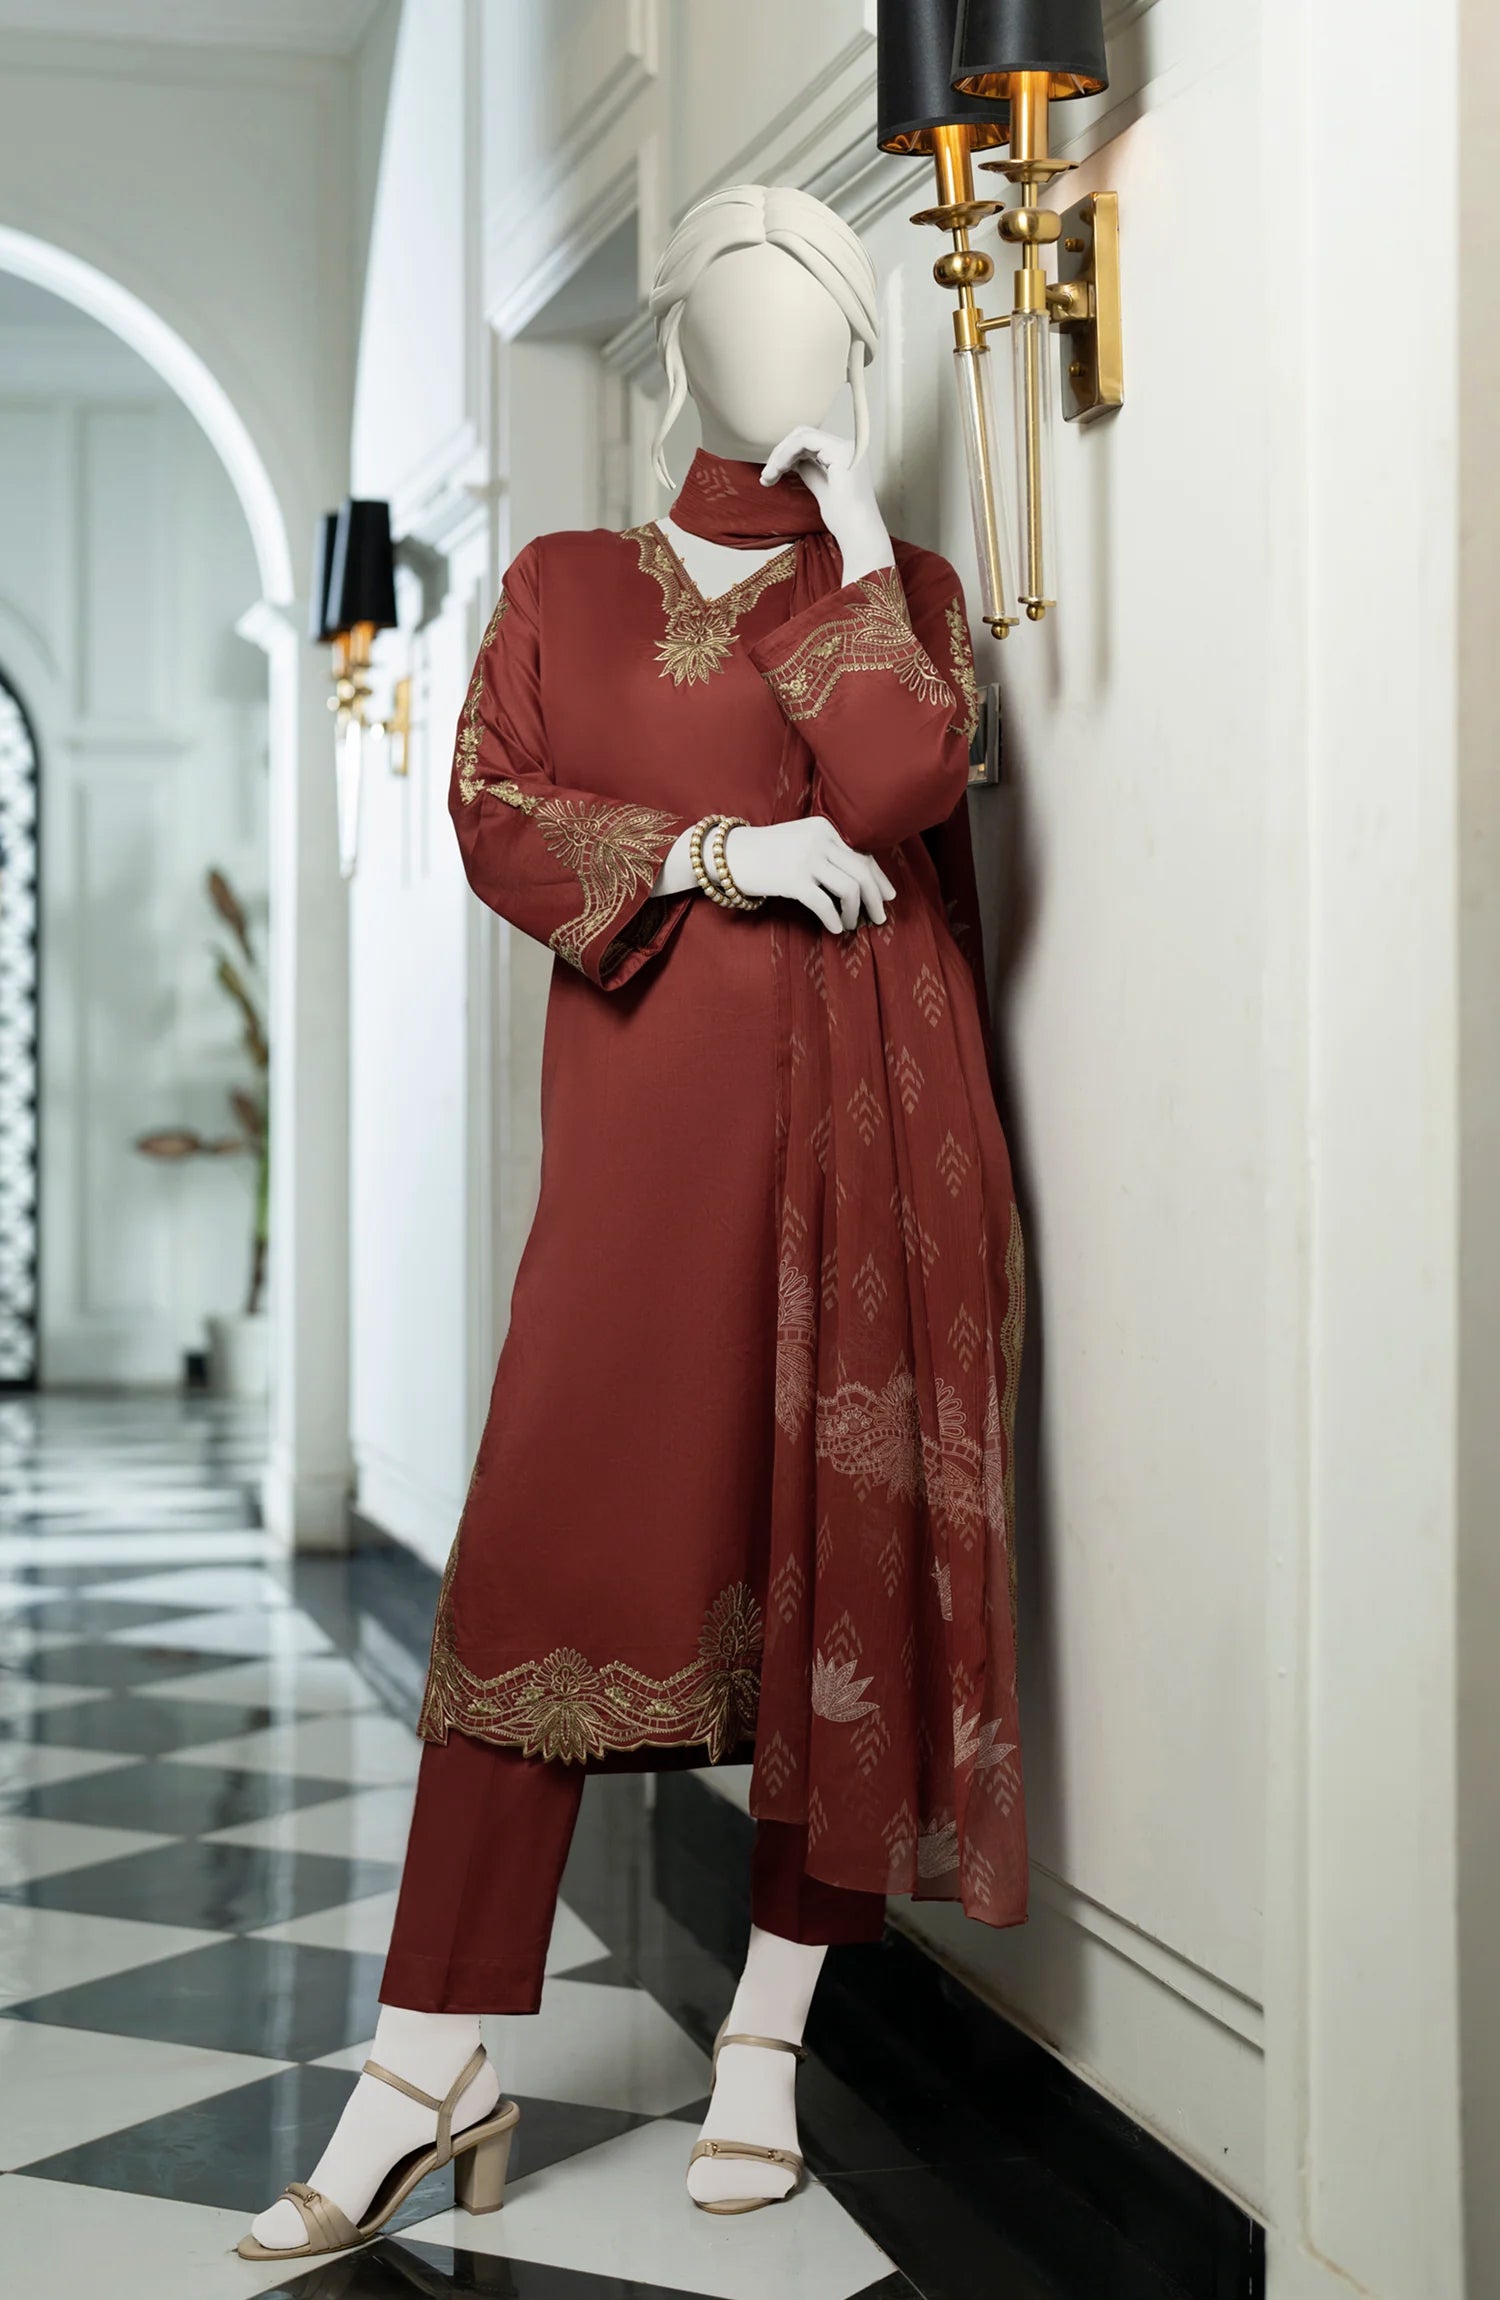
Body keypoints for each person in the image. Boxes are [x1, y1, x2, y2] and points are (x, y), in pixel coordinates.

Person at [241, 181, 1027, 2265]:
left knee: (832, 1562)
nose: (776, 340)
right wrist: (711, 851)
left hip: (864, 1157)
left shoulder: (904, 587)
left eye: (817, 310)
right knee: (536, 1559)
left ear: (857, 355)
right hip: (640, 1157)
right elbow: (492, 806)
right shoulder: (566, 585)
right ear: (674, 342)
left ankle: (767, 2035)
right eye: (739, 304)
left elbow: (899, 786)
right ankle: (428, 2060)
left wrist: (851, 532)